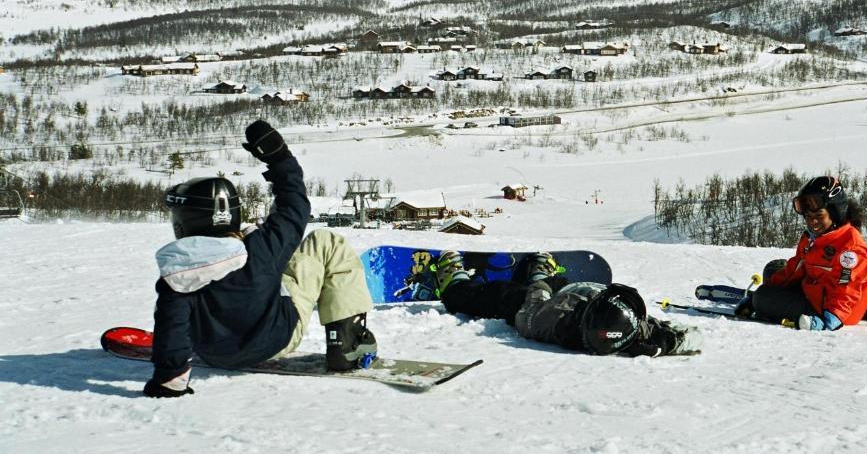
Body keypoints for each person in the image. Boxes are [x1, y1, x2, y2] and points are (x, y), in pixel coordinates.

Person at [144, 120, 376, 398]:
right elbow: (295, 206)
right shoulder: (261, 247)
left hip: (217, 355)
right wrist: (280, 159)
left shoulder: (177, 273)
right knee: (326, 241)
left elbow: (173, 324)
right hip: (276, 340)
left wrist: (169, 379)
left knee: (273, 273)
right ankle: (346, 344)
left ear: (184, 222)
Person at [427, 251, 702, 357]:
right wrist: (670, 341)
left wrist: (541, 287)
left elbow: (529, 317)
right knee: (560, 282)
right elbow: (685, 338)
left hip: (528, 307)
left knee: (502, 294)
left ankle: (454, 285)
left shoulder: (555, 323)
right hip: (566, 295)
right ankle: (540, 274)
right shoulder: (629, 328)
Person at [740, 176, 867, 331]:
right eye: (808, 217)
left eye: (819, 217)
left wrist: (831, 318)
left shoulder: (850, 248)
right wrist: (758, 295)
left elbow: (847, 288)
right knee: (773, 270)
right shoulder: (813, 238)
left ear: (835, 214)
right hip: (813, 292)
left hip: (830, 311)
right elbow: (793, 271)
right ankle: (763, 300)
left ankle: (772, 306)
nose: (813, 222)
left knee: (763, 297)